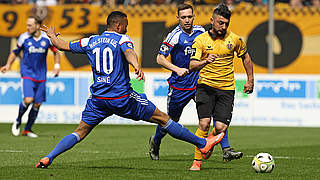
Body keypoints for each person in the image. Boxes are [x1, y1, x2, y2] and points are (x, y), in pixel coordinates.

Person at [35, 11, 225, 169]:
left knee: (80, 131)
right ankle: (203, 143)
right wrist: (136, 65)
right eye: (125, 25)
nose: (127, 28)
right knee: (163, 118)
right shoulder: (122, 38)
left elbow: (62, 45)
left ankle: (48, 158)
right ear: (118, 26)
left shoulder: (90, 41)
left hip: (98, 100)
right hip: (122, 98)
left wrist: (52, 36)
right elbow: (129, 51)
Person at [149, 4, 237, 168]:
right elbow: (160, 58)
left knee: (210, 117)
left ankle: (226, 149)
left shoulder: (201, 32)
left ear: (193, 17)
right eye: (183, 17)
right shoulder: (174, 36)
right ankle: (156, 140)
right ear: (178, 19)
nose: (187, 20)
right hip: (179, 87)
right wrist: (177, 69)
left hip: (199, 84)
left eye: (189, 17)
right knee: (171, 121)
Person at [189, 4, 254, 171]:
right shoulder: (200, 40)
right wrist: (205, 60)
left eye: (226, 23)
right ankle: (196, 162)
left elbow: (245, 57)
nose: (223, 26)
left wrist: (250, 80)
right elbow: (192, 64)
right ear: (212, 21)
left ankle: (209, 142)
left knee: (220, 128)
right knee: (204, 124)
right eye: (220, 23)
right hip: (205, 86)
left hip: (226, 89)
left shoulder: (235, 39)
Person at [0, 16, 61, 138]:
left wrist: (57, 66)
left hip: (41, 75)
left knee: (37, 104)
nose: (27, 27)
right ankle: (18, 120)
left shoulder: (46, 39)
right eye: (27, 25)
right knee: (28, 99)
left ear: (38, 26)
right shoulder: (24, 37)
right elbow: (15, 52)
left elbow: (56, 51)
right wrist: (8, 65)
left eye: (30, 25)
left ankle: (27, 130)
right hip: (27, 73)